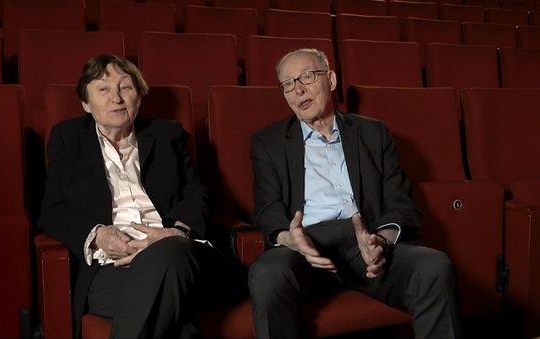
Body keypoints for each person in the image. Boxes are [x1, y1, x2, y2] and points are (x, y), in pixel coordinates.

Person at [247, 48, 463, 338]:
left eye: (307, 77)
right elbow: (266, 207)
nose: (298, 90)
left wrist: (380, 242)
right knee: (267, 273)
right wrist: (289, 238)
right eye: (287, 84)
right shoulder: (268, 142)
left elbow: (400, 201)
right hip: (307, 250)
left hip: (367, 241)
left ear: (331, 80)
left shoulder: (373, 133)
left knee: (434, 267)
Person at [39, 54, 244, 338]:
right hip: (113, 268)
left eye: (126, 87)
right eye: (103, 89)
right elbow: (52, 210)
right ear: (85, 103)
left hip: (180, 254)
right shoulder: (68, 138)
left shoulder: (166, 133)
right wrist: (98, 235)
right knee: (180, 327)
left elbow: (198, 193)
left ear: (139, 97)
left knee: (168, 255)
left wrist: (176, 232)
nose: (117, 98)